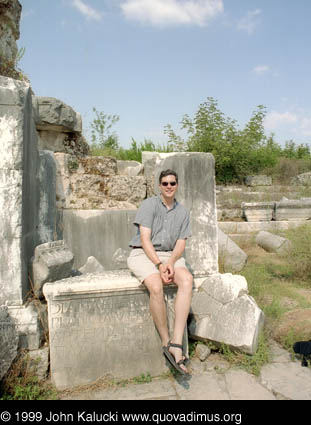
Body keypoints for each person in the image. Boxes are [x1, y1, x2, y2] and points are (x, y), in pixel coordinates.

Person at [127, 169, 193, 375]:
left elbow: (181, 243)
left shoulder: (182, 212)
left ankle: (176, 343)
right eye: (165, 183)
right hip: (144, 254)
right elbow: (145, 239)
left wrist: (171, 262)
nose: (169, 187)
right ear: (159, 186)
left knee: (187, 280)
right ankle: (166, 341)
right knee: (156, 285)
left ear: (177, 185)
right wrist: (159, 265)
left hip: (169, 256)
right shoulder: (149, 205)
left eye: (172, 183)